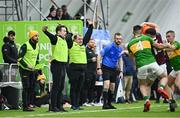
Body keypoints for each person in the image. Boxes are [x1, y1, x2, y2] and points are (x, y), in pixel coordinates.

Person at [127, 25, 170, 112]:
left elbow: (131, 58)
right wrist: (166, 45)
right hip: (152, 63)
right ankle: (161, 88)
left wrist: (136, 67)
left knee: (142, 85)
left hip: (141, 66)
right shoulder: (147, 38)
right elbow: (158, 47)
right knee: (164, 76)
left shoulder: (130, 44)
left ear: (133, 32)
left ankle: (146, 100)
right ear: (142, 31)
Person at [42, 24, 73, 112]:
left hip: (63, 65)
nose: (65, 32)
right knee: (56, 86)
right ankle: (52, 106)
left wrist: (70, 33)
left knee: (61, 87)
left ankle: (59, 106)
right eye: (63, 31)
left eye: (65, 31)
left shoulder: (64, 40)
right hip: (56, 64)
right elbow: (51, 36)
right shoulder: (56, 39)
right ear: (58, 32)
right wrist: (45, 31)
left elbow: (70, 43)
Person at [68, 20, 93, 110]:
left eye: (81, 39)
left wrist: (90, 26)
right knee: (74, 88)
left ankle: (77, 104)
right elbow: (68, 37)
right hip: (74, 69)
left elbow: (88, 35)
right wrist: (71, 33)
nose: (81, 40)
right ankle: (73, 104)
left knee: (79, 88)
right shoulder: (71, 45)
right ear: (74, 39)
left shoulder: (83, 45)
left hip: (83, 70)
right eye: (79, 39)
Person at [97, 32, 123, 109]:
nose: (118, 40)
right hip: (106, 67)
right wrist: (98, 68)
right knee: (106, 84)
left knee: (112, 87)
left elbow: (120, 59)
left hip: (114, 69)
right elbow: (99, 55)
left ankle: (109, 103)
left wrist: (121, 71)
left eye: (120, 39)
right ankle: (104, 104)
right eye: (117, 39)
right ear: (114, 39)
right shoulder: (109, 46)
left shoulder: (120, 48)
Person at [18, 31, 40, 111]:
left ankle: (30, 104)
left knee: (31, 87)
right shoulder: (25, 45)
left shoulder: (37, 46)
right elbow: (19, 58)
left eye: (38, 36)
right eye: (35, 36)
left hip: (33, 70)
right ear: (31, 37)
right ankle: (25, 106)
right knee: (26, 87)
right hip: (24, 69)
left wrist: (37, 67)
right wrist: (27, 66)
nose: (37, 37)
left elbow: (37, 58)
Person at [165, 30, 180, 111]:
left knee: (178, 84)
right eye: (166, 36)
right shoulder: (167, 47)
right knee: (168, 84)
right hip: (175, 69)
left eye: (169, 36)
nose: (167, 38)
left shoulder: (176, 43)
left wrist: (167, 45)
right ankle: (172, 102)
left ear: (173, 37)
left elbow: (173, 47)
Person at [81, 39, 97, 106]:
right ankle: (84, 101)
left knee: (92, 87)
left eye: (93, 42)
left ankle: (91, 101)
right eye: (91, 42)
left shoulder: (92, 51)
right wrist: (90, 60)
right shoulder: (85, 50)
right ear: (88, 43)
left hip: (93, 72)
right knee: (86, 86)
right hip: (88, 71)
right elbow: (83, 60)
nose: (93, 43)